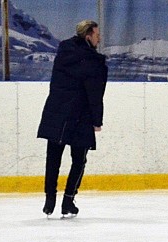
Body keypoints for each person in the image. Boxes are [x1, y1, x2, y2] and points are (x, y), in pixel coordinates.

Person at [37, 20, 107, 218]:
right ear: (88, 36)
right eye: (96, 35)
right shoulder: (93, 62)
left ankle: (50, 199)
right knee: (79, 160)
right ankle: (68, 200)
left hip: (56, 111)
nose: (99, 38)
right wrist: (97, 120)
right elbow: (95, 94)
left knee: (53, 158)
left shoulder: (63, 52)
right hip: (80, 115)